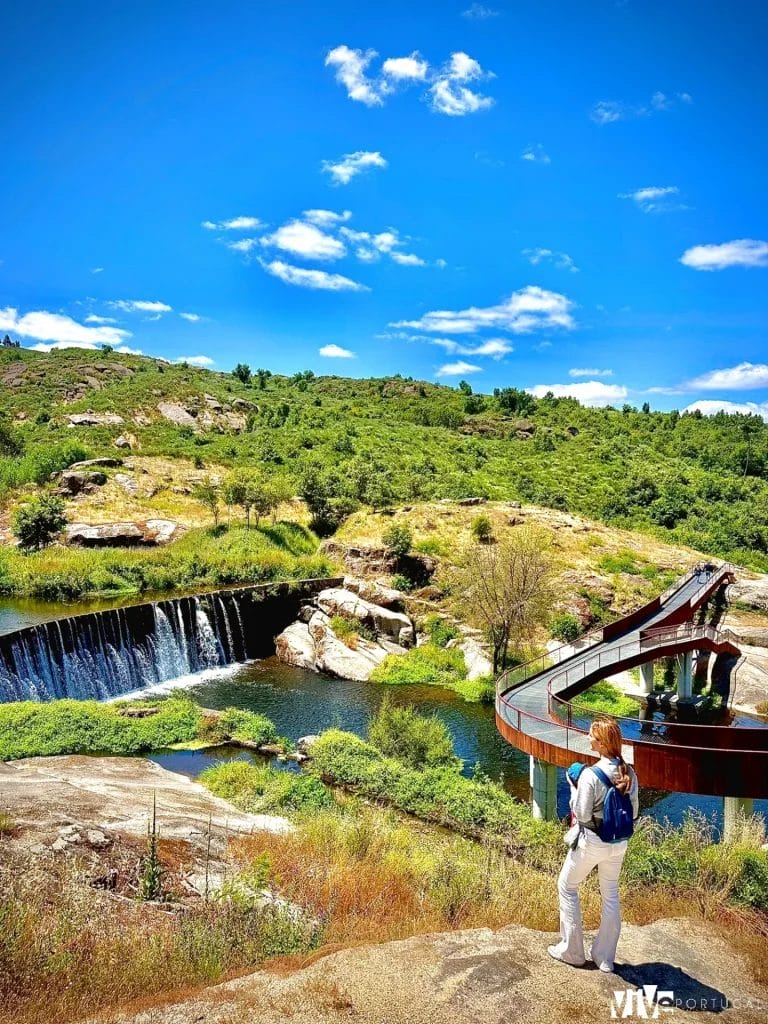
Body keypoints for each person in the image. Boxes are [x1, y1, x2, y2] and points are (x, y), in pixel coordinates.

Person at [548, 717, 639, 973]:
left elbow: (582, 813)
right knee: (610, 894)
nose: (587, 738)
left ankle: (572, 951)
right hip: (619, 843)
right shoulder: (629, 772)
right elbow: (634, 812)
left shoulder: (590, 774)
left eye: (591, 735)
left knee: (567, 887)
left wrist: (573, 789)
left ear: (601, 743)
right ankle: (605, 958)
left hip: (593, 841)